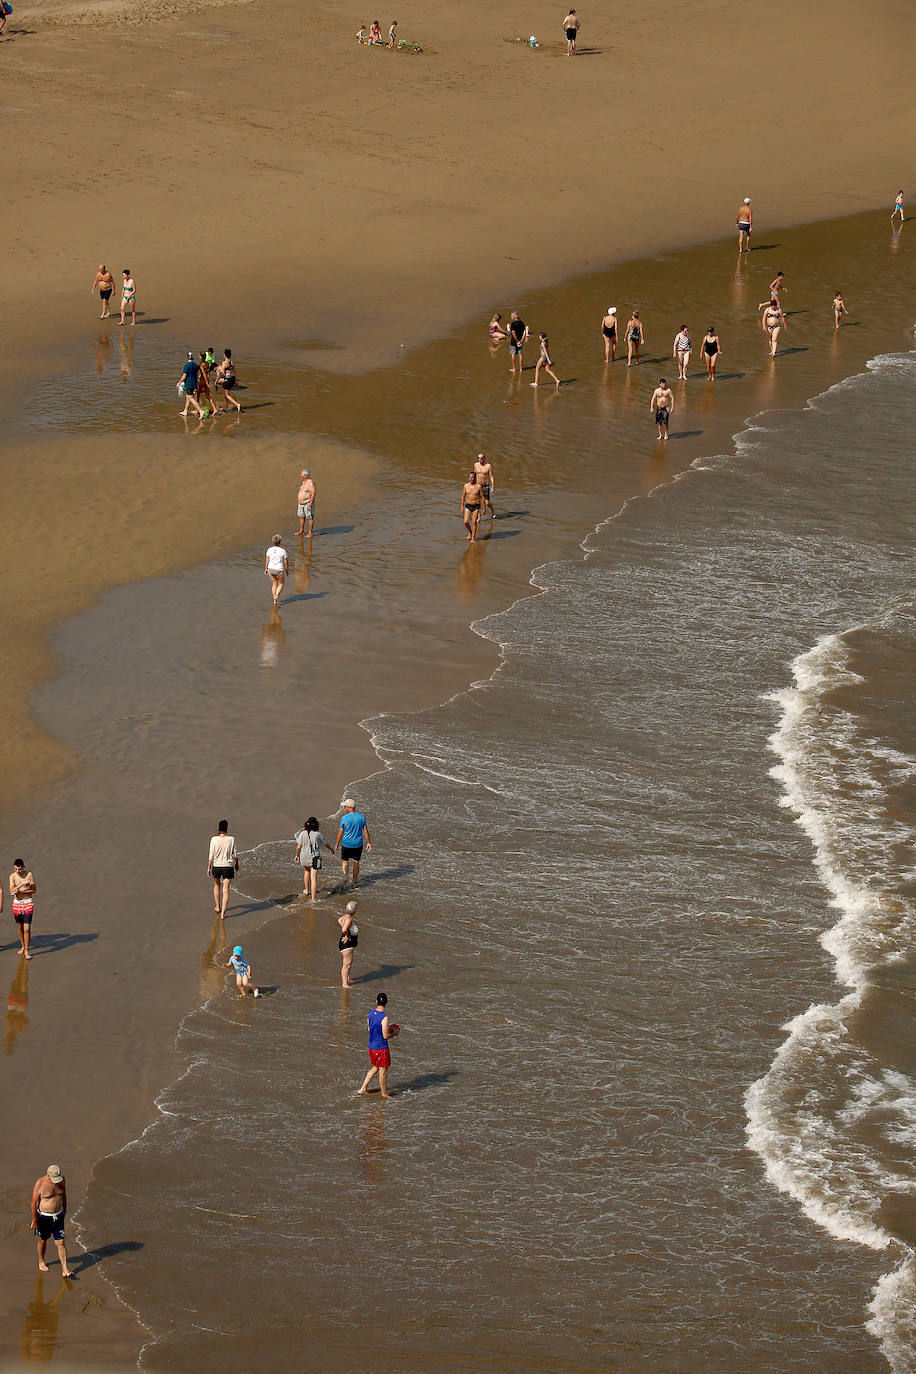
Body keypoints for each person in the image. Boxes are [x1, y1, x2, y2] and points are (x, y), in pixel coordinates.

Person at [31, 1167, 73, 1277]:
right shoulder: (40, 1183)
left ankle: (65, 1269)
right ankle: (41, 1261)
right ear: (48, 1175)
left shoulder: (62, 1180)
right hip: (44, 1217)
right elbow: (33, 1203)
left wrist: (64, 1209)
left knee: (60, 1242)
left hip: (59, 1215)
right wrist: (34, 1220)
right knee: (43, 1240)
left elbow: (64, 1195)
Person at [358, 992, 393, 1097]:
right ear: (386, 1003)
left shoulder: (370, 1013)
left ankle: (363, 1088)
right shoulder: (384, 1017)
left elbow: (369, 1028)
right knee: (383, 1070)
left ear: (376, 1001)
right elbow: (385, 1035)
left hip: (371, 1046)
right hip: (381, 1048)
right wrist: (394, 1034)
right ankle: (383, 1094)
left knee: (375, 1067)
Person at [334, 798, 371, 887]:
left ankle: (346, 876)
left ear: (349, 807)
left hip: (346, 844)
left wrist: (337, 843)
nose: (344, 808)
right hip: (358, 844)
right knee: (356, 862)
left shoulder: (344, 818)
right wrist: (368, 842)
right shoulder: (361, 817)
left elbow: (340, 832)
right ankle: (354, 882)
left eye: (345, 806)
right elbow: (365, 831)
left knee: (345, 860)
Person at [294, 816, 332, 900]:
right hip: (315, 857)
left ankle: (307, 890)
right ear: (316, 825)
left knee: (307, 871)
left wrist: (297, 855)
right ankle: (313, 899)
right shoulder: (318, 834)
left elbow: (298, 847)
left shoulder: (302, 833)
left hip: (304, 856)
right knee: (313, 878)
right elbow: (326, 843)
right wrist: (331, 849)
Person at [207, 820, 238, 919]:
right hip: (228, 867)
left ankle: (217, 907)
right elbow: (235, 854)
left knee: (217, 886)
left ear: (219, 828)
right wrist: (237, 864)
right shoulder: (231, 839)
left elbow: (211, 854)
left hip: (216, 866)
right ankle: (223, 914)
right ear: (226, 828)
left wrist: (209, 867)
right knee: (225, 891)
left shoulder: (214, 839)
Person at [10, 860, 35, 960]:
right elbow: (11, 891)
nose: (17, 871)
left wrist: (23, 891)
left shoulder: (29, 875)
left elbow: (34, 890)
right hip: (17, 904)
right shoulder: (12, 876)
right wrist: (21, 885)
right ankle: (23, 945)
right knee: (20, 926)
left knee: (27, 928)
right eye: (15, 869)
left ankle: (27, 950)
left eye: (19, 869)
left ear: (23, 867)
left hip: (28, 902)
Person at [177, 351, 203, 419]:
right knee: (188, 398)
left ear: (187, 357)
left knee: (190, 398)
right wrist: (197, 384)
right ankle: (185, 411)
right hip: (194, 383)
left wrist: (179, 382)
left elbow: (184, 376)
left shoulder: (186, 365)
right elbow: (197, 376)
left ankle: (200, 411)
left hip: (189, 383)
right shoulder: (195, 365)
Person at [338, 901, 358, 987]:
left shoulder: (345, 916)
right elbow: (344, 929)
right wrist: (347, 936)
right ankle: (345, 984)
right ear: (355, 911)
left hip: (346, 944)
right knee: (346, 965)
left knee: (348, 964)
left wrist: (345, 929)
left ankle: (347, 979)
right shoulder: (349, 919)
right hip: (347, 945)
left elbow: (339, 920)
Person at [265, 534, 289, 607]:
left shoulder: (269, 549)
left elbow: (267, 560)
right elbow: (285, 561)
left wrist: (266, 568)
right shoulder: (283, 551)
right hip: (279, 570)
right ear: (280, 542)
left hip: (270, 569)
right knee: (281, 583)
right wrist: (287, 569)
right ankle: (276, 596)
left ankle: (274, 600)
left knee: (274, 583)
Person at [215, 349, 241, 413]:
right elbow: (235, 372)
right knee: (225, 393)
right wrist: (236, 381)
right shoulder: (232, 362)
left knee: (227, 395)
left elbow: (222, 373)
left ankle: (237, 405)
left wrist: (217, 380)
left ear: (224, 355)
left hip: (227, 379)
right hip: (232, 378)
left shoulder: (224, 363)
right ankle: (226, 407)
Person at [460, 470, 483, 542]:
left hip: (476, 505)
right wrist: (461, 507)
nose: (471, 479)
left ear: (475, 478)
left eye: (472, 477)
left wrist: (484, 508)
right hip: (468, 505)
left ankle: (473, 537)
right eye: (470, 477)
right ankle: (470, 532)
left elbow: (482, 497)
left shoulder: (479, 486)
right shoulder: (466, 486)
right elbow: (463, 496)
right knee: (466, 521)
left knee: (474, 521)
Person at [474, 452, 495, 519]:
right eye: (478, 458)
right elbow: (474, 474)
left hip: (485, 486)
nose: (480, 459)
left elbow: (491, 476)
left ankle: (493, 511)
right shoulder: (475, 465)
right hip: (478, 486)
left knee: (487, 503)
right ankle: (479, 517)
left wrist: (492, 486)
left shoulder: (488, 466)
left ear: (484, 458)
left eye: (481, 458)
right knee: (478, 502)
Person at [297, 469, 316, 538]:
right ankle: (301, 530)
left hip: (307, 503)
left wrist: (310, 505)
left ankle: (310, 533)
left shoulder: (310, 482)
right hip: (301, 503)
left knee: (309, 517)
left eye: (301, 475)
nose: (300, 476)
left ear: (305, 476)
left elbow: (313, 494)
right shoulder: (303, 482)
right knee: (301, 516)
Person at [195, 351, 214, 416]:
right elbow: (208, 373)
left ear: (201, 357)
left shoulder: (201, 364)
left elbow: (203, 373)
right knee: (208, 396)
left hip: (202, 381)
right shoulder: (207, 363)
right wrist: (208, 381)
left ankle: (197, 409)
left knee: (197, 394)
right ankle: (214, 409)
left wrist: (206, 382)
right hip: (206, 380)